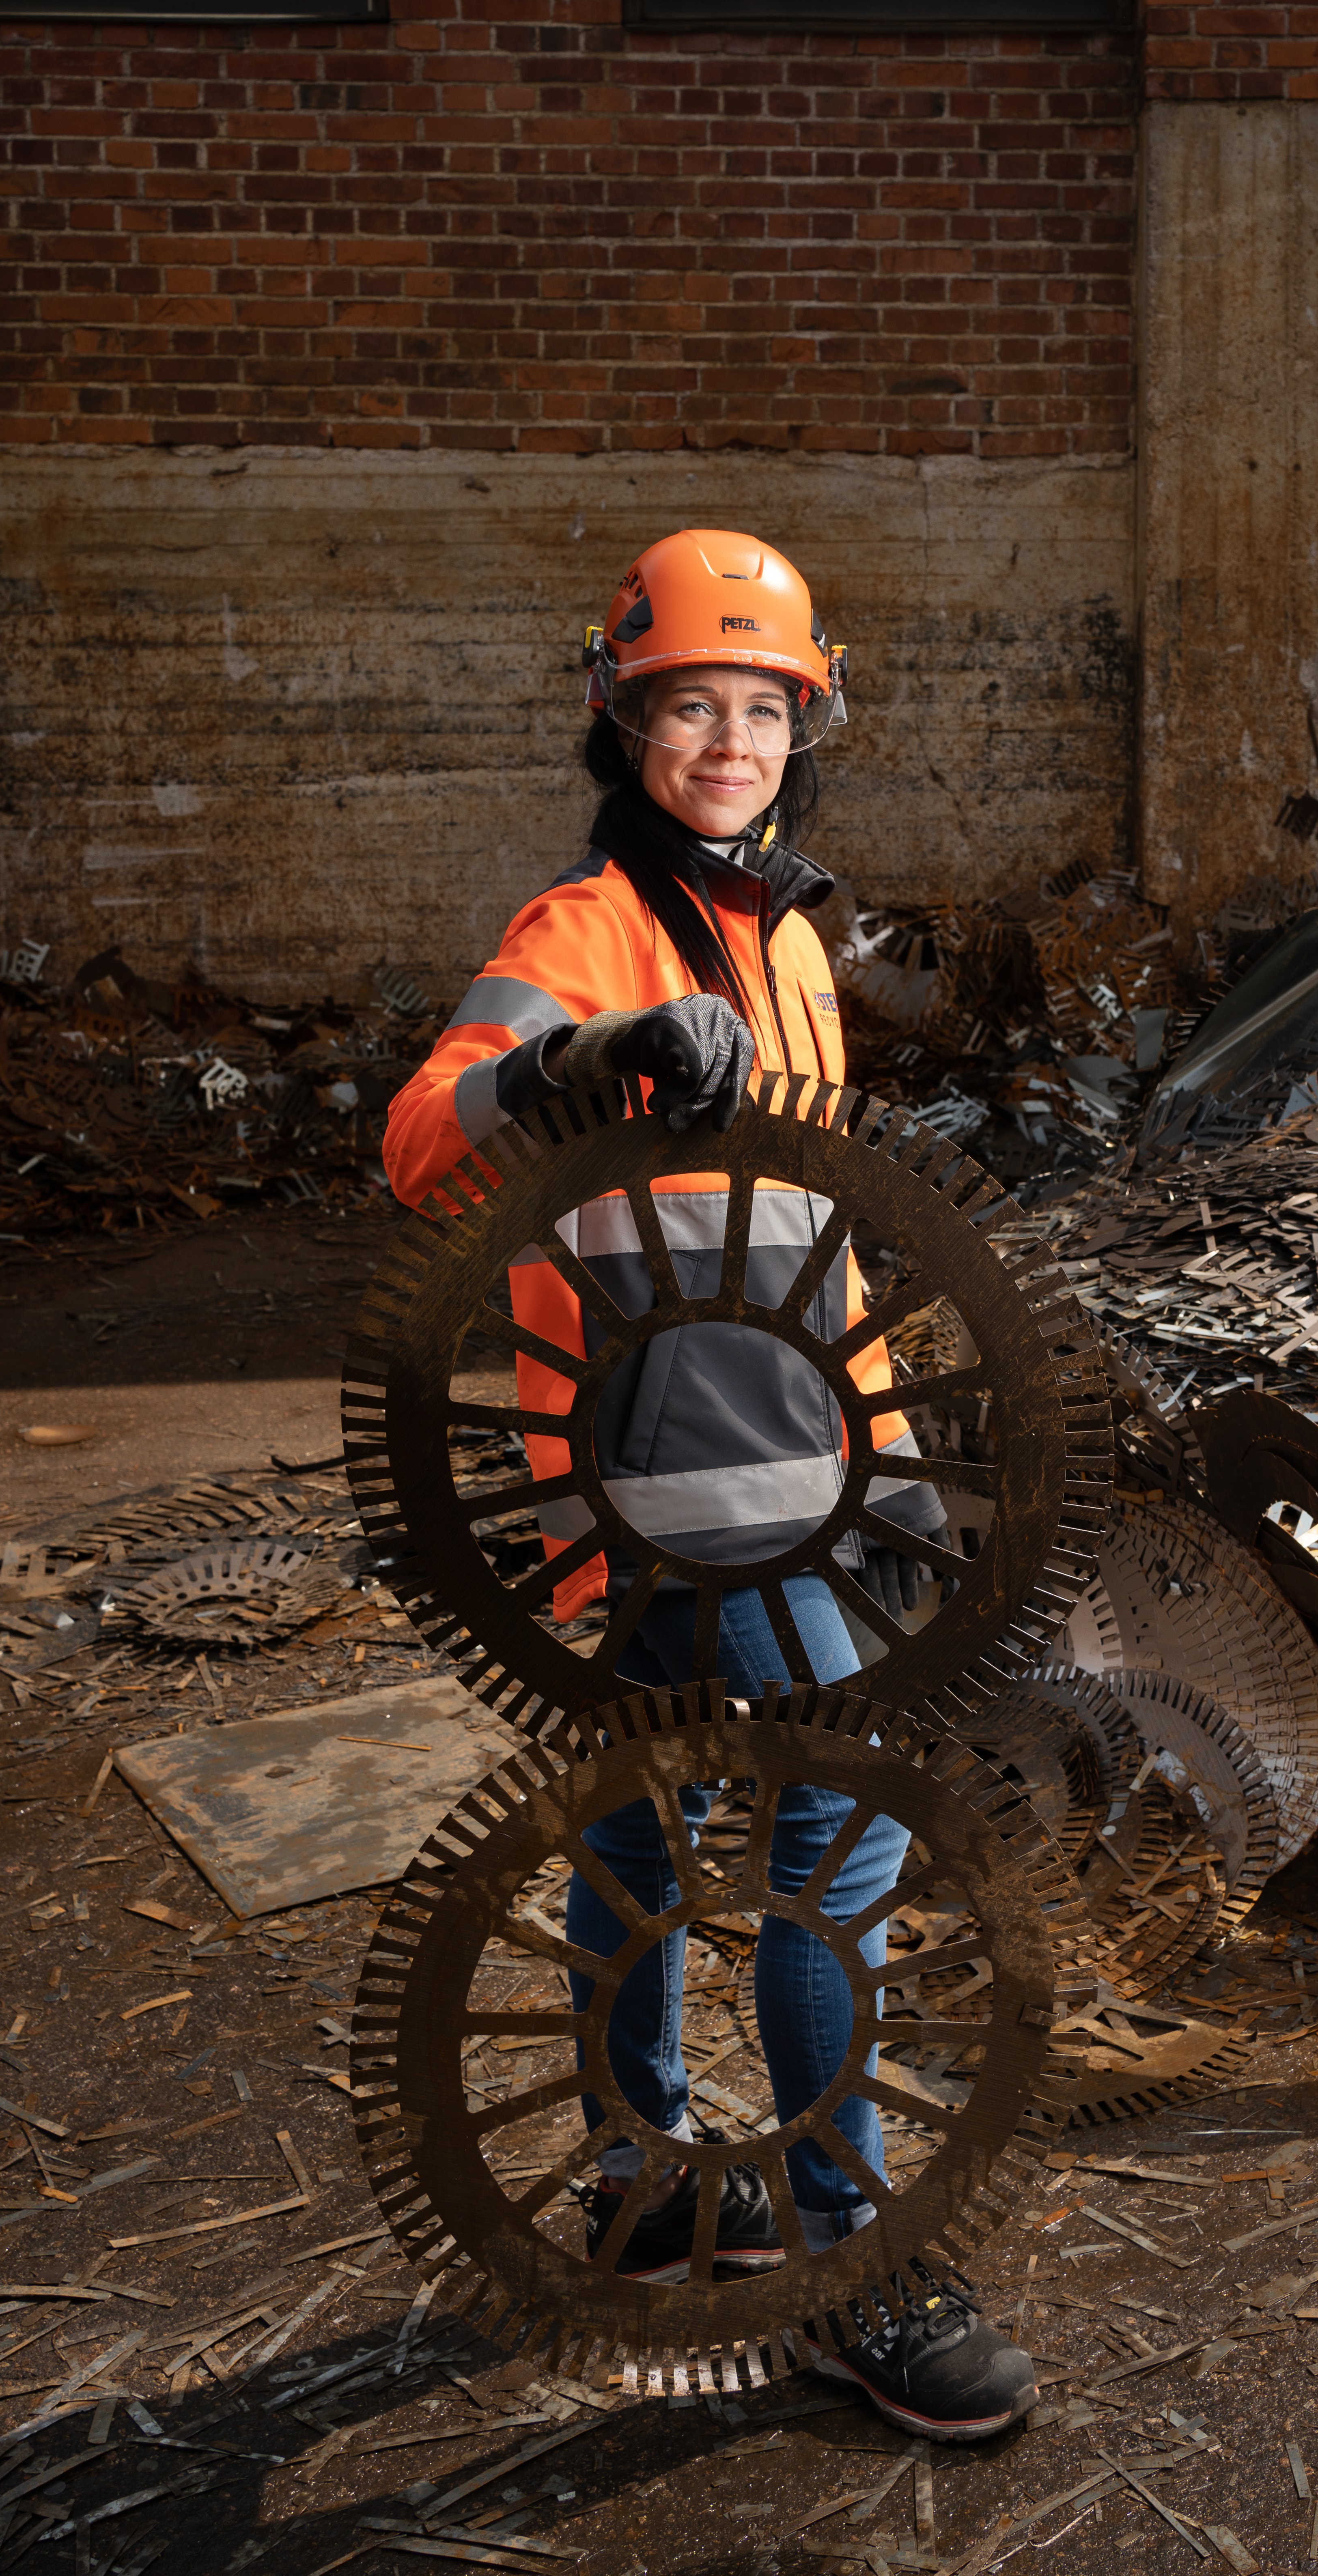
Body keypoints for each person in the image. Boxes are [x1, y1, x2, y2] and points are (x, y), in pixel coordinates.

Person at [384, 527, 1037, 2441]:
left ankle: (640, 2174)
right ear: (627, 723)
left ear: (802, 726)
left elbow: (819, 1248)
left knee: (638, 1837)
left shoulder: (794, 939)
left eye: (764, 707)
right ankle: (848, 2261)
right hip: (662, 1491)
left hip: (784, 1482)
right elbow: (428, 1140)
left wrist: (892, 1456)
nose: (731, 738)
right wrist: (585, 1059)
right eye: (693, 706)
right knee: (845, 1851)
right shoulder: (575, 938)